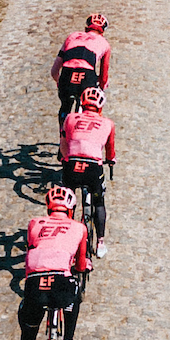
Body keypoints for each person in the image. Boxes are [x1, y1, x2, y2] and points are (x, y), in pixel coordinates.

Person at [19, 185, 91, 340]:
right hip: (60, 282)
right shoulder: (79, 228)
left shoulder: (34, 223)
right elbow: (81, 264)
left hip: (35, 283)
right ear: (71, 210)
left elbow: (31, 251)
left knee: (27, 339)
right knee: (72, 297)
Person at [59, 87, 117, 255]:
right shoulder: (108, 124)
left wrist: (66, 159)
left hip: (72, 165)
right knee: (99, 202)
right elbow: (110, 150)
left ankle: (65, 234)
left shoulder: (70, 118)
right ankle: (100, 242)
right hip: (93, 167)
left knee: (66, 201)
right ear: (100, 107)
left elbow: (63, 143)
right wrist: (111, 161)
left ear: (82, 105)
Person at [51, 14, 112, 118]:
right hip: (87, 76)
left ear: (86, 28)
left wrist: (59, 82)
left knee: (65, 105)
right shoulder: (105, 43)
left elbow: (54, 71)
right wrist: (101, 87)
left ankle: (62, 130)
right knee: (88, 110)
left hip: (67, 73)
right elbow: (104, 76)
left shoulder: (72, 36)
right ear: (102, 32)